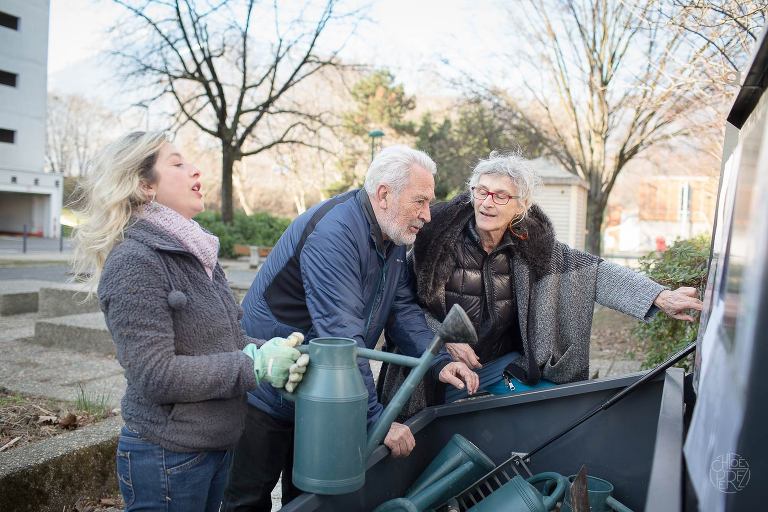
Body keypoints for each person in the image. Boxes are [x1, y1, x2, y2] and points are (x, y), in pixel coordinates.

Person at [223, 145, 480, 511]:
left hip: (314, 386)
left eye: (429, 203)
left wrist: (438, 363)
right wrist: (376, 420)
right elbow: (341, 338)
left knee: (308, 497)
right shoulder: (335, 233)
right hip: (269, 387)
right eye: (420, 201)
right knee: (248, 498)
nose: (427, 215)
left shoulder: (390, 238)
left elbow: (402, 310)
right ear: (384, 194)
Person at [71, 131, 308, 512]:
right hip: (167, 456)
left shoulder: (197, 250)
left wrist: (269, 351)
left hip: (214, 446)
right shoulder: (135, 261)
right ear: (145, 186)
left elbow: (222, 341)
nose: (195, 169)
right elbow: (155, 374)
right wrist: (254, 366)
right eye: (177, 163)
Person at [379, 150, 704, 416]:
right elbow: (402, 307)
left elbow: (594, 272)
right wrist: (442, 340)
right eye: (481, 191)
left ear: (521, 205)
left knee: (558, 411)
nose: (487, 202)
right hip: (438, 370)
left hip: (496, 367)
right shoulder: (435, 242)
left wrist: (658, 296)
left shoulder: (532, 246)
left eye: (501, 195)